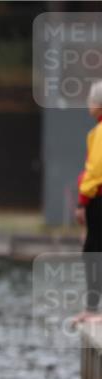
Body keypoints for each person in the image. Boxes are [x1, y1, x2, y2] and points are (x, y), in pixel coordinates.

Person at [75, 81, 102, 323]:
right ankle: (92, 307)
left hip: (98, 199)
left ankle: (94, 309)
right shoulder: (96, 132)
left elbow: (95, 171)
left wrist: (82, 199)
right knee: (93, 251)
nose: (88, 105)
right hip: (95, 198)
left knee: (94, 251)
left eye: (92, 100)